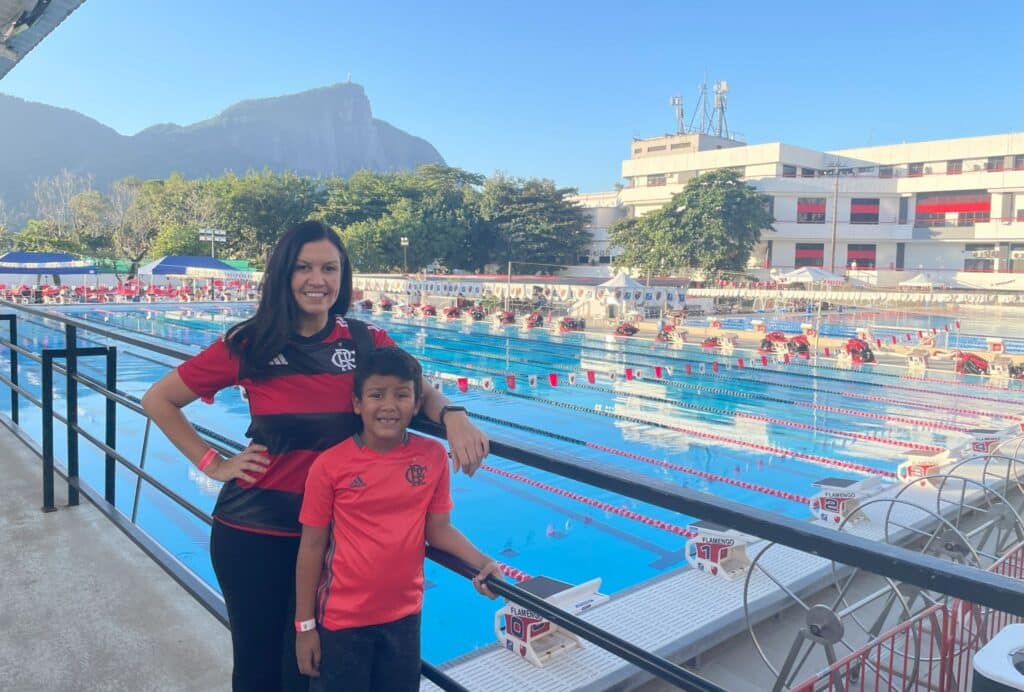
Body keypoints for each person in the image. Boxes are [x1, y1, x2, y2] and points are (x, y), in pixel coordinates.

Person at [141, 220, 488, 692]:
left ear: (343, 276)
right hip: (256, 534)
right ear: (284, 274)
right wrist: (214, 463)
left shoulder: (364, 341)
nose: (317, 280)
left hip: (333, 542)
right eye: (303, 268)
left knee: (308, 672)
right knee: (260, 672)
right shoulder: (250, 344)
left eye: (329, 268)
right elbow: (159, 399)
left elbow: (418, 389)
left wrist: (454, 416)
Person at [294, 346, 502, 691]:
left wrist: (484, 564)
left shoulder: (432, 456)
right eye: (377, 395)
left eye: (401, 395)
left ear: (417, 404)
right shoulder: (330, 466)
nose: (389, 405)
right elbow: (312, 547)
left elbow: (439, 530)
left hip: (404, 618)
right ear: (357, 403)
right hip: (342, 622)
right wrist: (305, 626)